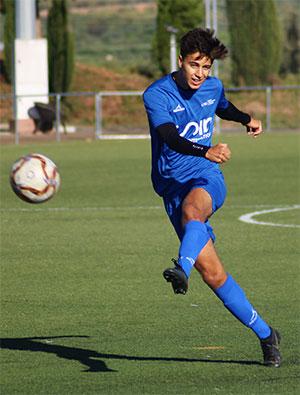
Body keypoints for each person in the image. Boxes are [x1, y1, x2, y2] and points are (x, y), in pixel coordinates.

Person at [143, 28, 281, 367]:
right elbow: (169, 137)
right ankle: (267, 334)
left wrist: (247, 119)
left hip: (207, 178)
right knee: (215, 275)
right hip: (171, 187)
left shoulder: (212, 86)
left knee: (194, 211)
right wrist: (207, 149)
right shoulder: (157, 95)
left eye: (206, 67)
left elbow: (223, 106)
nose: (200, 74)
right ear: (180, 61)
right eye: (194, 65)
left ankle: (181, 268)